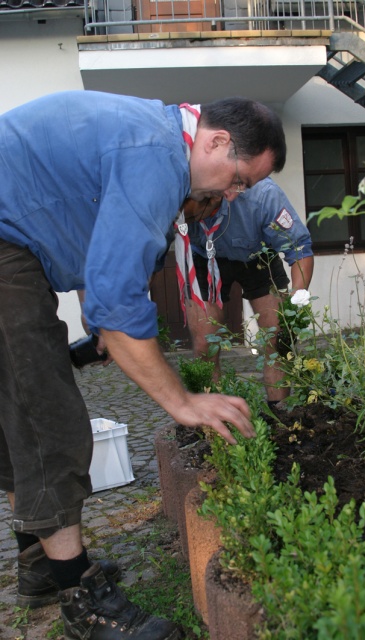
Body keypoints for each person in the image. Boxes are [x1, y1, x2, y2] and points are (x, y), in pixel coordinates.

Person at [0, 90, 286, 640]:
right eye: (239, 179)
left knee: (17, 407)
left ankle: (42, 561)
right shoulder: (156, 154)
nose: (233, 194)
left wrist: (102, 317)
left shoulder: (148, 133)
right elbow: (114, 307)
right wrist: (182, 401)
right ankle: (84, 603)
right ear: (218, 141)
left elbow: (90, 236)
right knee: (45, 415)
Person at [181, 177, 314, 408]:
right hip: (203, 257)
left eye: (193, 215)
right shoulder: (176, 196)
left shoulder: (263, 194)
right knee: (204, 342)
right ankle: (211, 419)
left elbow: (300, 250)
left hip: (258, 253)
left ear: (219, 195)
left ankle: (279, 414)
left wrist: (295, 305)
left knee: (278, 336)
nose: (187, 219)